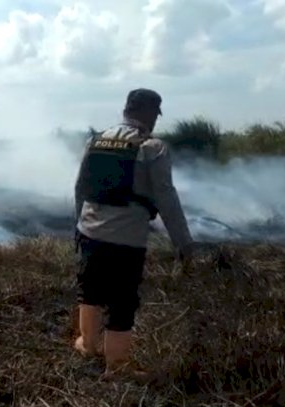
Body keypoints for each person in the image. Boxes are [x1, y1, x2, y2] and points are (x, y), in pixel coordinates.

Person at [72, 88, 195, 381]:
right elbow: (167, 198)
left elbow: (80, 187)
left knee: (90, 289)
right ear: (152, 114)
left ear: (126, 109)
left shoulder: (96, 139)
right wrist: (183, 243)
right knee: (122, 301)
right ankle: (117, 365)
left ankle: (87, 345)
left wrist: (79, 225)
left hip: (89, 231)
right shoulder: (153, 147)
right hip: (126, 240)